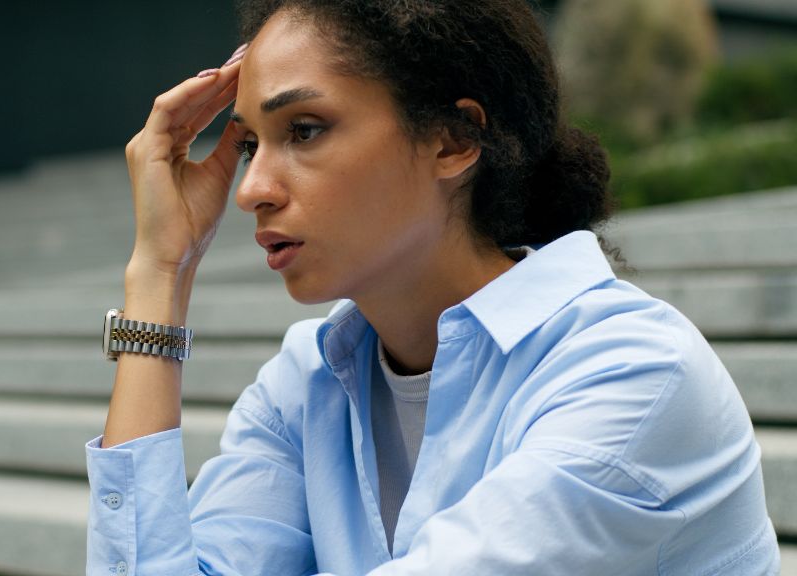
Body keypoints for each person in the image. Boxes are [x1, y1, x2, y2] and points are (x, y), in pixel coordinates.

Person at [86, 1, 781, 574]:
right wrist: (161, 271)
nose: (253, 190)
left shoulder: (632, 375)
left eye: (304, 130)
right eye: (248, 145)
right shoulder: (304, 387)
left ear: (452, 139)